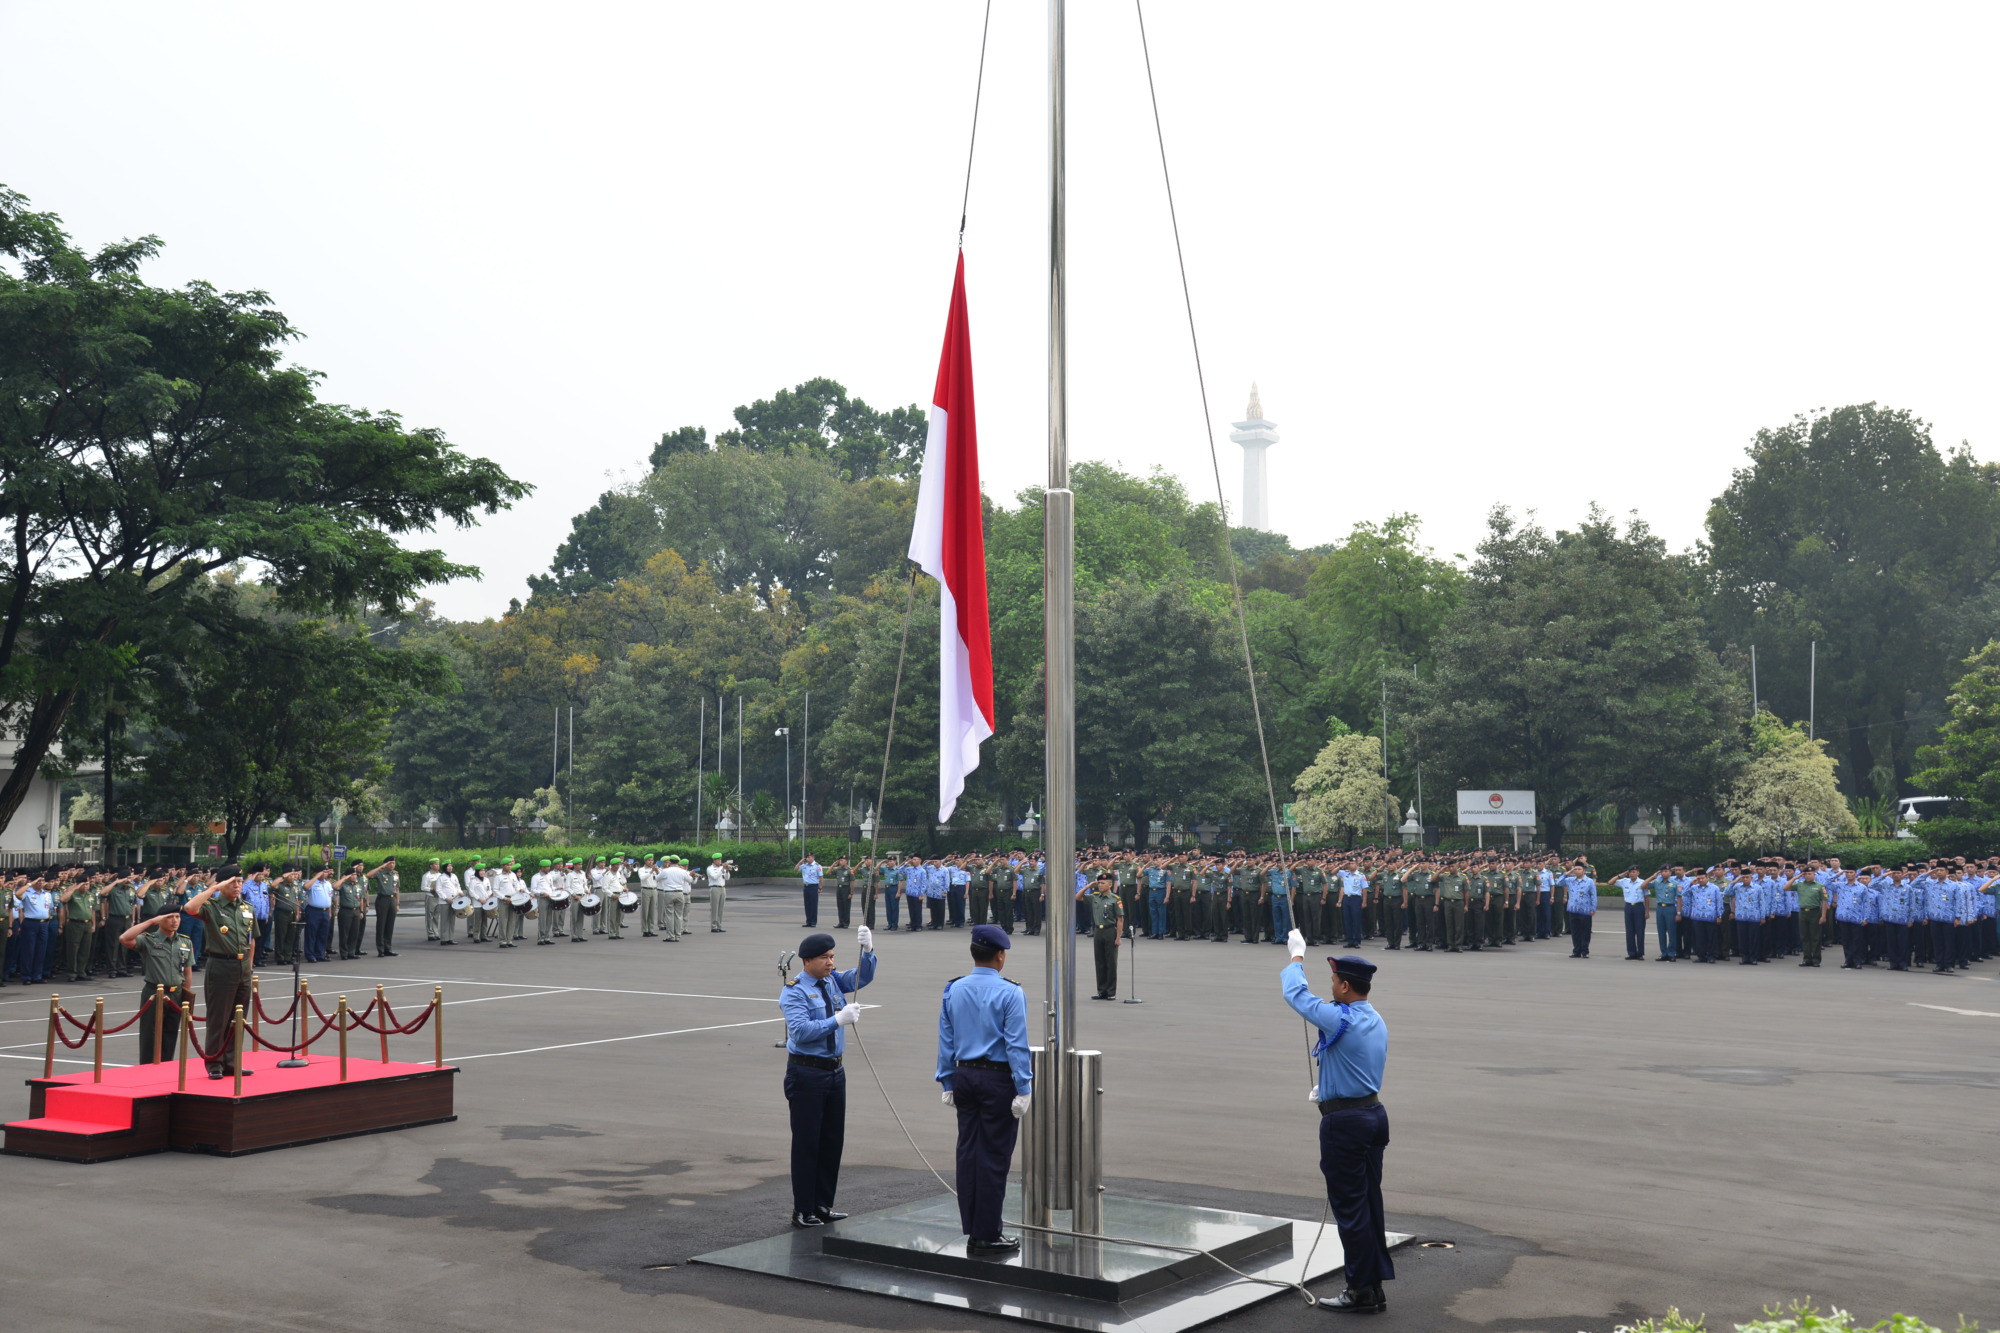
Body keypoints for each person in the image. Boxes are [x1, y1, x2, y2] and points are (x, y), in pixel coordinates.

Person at [1281, 930, 1393, 1314]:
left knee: (1350, 1208)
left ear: (1345, 986)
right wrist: (1329, 1087)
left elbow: (1297, 997)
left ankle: (1360, 1289)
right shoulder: (1372, 1016)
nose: (1330, 986)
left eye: (1333, 980)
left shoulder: (1340, 1018)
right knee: (1368, 1204)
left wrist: (1297, 958)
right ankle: (1371, 1285)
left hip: (1345, 1123)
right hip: (1372, 1114)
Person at [936, 923, 1032, 1254]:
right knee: (992, 1156)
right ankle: (988, 1233)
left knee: (968, 1153)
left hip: (965, 1076)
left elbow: (946, 1039)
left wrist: (947, 1080)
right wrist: (1024, 1087)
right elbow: (1017, 1044)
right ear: (1000, 956)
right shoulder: (1010, 992)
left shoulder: (953, 989)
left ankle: (974, 1228)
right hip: (997, 1079)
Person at [780, 925, 878, 1228]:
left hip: (835, 1072)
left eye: (833, 957)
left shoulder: (832, 980)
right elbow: (800, 1031)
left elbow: (860, 978)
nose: (831, 963)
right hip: (807, 1072)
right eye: (825, 958)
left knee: (832, 1140)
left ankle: (822, 1204)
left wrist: (868, 951)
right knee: (808, 1142)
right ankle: (803, 1209)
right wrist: (837, 1019)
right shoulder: (795, 989)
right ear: (807, 960)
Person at [185, 874, 257, 1081]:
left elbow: (251, 940)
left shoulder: (246, 908)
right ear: (222, 885)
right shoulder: (213, 906)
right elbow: (190, 908)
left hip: (242, 966)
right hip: (221, 965)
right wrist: (214, 888)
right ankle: (214, 1063)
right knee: (219, 1018)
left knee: (238, 1018)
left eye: (239, 882)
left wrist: (249, 966)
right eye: (232, 882)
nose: (237, 886)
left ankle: (232, 1063)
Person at [123, 908, 195, 1063]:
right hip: (154, 993)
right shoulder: (149, 940)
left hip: (176, 994)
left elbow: (187, 972)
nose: (175, 920)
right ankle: (147, 1069)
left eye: (177, 917)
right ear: (160, 920)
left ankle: (166, 1067)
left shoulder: (185, 942)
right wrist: (149, 922)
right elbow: (125, 938)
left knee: (170, 1035)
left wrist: (186, 997)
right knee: (151, 1035)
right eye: (170, 917)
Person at [1083, 871, 1123, 1000]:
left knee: (1110, 963)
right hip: (1098, 931)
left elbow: (1120, 920)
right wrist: (1088, 886)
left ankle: (1111, 992)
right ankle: (1101, 991)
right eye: (1099, 882)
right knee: (1099, 962)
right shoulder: (1095, 896)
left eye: (1102, 883)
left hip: (1110, 931)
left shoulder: (1115, 899)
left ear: (1110, 885)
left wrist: (1118, 937)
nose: (1099, 885)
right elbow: (1077, 897)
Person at [372, 857, 401, 957]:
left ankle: (388, 948)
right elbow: (368, 875)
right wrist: (381, 867)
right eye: (390, 863)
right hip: (382, 899)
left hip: (392, 899)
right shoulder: (380, 873)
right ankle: (381, 949)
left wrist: (397, 903)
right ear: (385, 864)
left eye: (393, 863)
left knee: (390, 925)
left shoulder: (395, 874)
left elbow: (397, 889)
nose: (392, 865)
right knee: (381, 925)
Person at [797, 853, 822, 928]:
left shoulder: (817, 866)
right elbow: (795, 869)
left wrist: (820, 888)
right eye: (807, 857)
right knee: (807, 905)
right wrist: (800, 862)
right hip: (806, 886)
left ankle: (813, 921)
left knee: (813, 905)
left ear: (813, 858)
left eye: (809, 857)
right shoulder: (804, 866)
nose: (808, 858)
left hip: (813, 886)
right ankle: (808, 921)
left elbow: (821, 877)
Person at [708, 855, 731, 933]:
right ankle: (713, 926)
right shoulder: (710, 868)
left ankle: (719, 925)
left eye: (720, 859)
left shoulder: (722, 868)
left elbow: (727, 878)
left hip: (722, 888)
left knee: (721, 908)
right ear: (714, 860)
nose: (720, 861)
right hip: (715, 888)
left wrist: (727, 870)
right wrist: (722, 870)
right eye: (718, 860)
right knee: (714, 908)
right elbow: (714, 877)